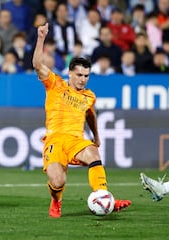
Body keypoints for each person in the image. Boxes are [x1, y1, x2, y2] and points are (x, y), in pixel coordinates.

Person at [32, 22, 131, 218]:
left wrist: (96, 136)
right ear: (70, 73)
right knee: (58, 181)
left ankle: (104, 197)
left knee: (94, 152)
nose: (83, 79)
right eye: (79, 75)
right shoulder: (55, 84)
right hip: (54, 140)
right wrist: (41, 38)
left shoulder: (89, 96)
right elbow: (37, 64)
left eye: (86, 76)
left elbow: (90, 115)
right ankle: (56, 200)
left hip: (76, 140)